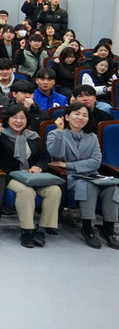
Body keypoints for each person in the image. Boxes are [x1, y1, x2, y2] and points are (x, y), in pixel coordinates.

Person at [0, 104, 62, 247]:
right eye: (15, 117)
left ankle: (42, 229)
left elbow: (43, 158)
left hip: (32, 176)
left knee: (54, 190)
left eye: (22, 118)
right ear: (7, 119)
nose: (18, 121)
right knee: (26, 191)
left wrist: (38, 166)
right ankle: (27, 231)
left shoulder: (33, 137)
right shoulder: (1, 135)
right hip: (11, 175)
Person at [47, 103, 119, 249]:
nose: (80, 117)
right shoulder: (55, 134)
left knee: (112, 186)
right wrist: (60, 132)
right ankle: (87, 228)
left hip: (90, 174)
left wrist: (68, 165)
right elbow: (55, 155)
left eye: (84, 115)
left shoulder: (91, 137)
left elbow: (95, 162)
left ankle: (108, 230)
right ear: (67, 116)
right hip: (70, 177)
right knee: (87, 185)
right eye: (77, 114)